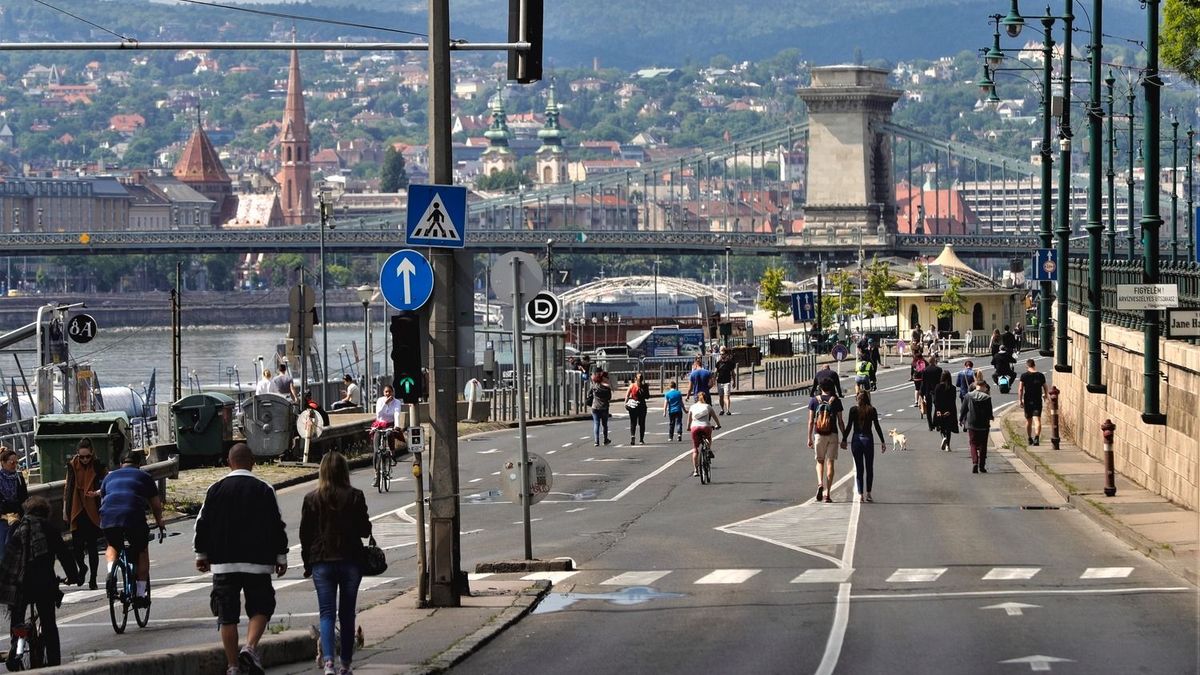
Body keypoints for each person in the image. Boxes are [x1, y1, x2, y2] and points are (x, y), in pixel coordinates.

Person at [194, 443, 289, 675]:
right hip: (258, 562)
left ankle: (233, 666)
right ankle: (250, 647)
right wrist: (281, 556)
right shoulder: (264, 488)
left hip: (223, 562)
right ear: (253, 462)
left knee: (227, 616)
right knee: (261, 607)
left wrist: (201, 554)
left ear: (229, 462)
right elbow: (277, 524)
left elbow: (201, 524)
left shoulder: (215, 489)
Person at [300, 451, 371, 675]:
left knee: (327, 614)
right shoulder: (355, 496)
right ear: (344, 471)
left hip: (321, 561)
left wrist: (306, 563)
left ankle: (328, 663)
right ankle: (346, 665)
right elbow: (364, 530)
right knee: (347, 614)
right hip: (350, 560)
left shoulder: (311, 499)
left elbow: (305, 535)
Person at [0, 496, 80, 670]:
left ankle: (17, 648)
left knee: (18, 620)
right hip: (44, 584)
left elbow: (8, 556)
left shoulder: (18, 528)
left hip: (20, 585)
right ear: (46, 513)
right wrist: (73, 576)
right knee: (49, 623)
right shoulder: (49, 529)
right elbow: (64, 555)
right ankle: (54, 665)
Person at [99, 450, 164, 608]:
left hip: (109, 516)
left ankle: (110, 573)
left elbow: (103, 501)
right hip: (132, 515)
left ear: (121, 464)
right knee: (142, 550)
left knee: (113, 545)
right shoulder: (144, 477)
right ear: (139, 464)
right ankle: (141, 594)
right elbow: (156, 505)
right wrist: (160, 522)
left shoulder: (108, 477)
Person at [63, 438, 106, 590]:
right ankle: (82, 568)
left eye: (87, 456)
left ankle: (93, 579)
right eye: (82, 457)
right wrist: (65, 510)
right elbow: (68, 487)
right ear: (77, 455)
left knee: (93, 546)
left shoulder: (98, 465)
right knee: (77, 546)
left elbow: (106, 482)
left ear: (92, 454)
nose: (85, 459)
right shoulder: (72, 466)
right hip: (77, 508)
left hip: (93, 507)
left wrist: (98, 493)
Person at [841, 390, 887, 503]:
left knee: (859, 468)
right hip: (868, 440)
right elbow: (877, 426)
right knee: (869, 467)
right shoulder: (871, 410)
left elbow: (849, 426)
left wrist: (844, 439)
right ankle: (869, 494)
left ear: (857, 399)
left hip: (856, 439)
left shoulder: (853, 410)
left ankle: (860, 494)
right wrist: (882, 441)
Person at [807, 378, 845, 503]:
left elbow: (811, 421)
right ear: (831, 387)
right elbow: (840, 421)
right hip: (832, 434)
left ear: (821, 387)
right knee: (830, 463)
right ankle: (828, 494)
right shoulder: (836, 401)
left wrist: (809, 438)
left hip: (819, 434)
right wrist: (844, 437)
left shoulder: (814, 400)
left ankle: (819, 483)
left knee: (820, 461)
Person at [0, 448, 28, 565]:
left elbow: (24, 498)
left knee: (18, 550)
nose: (15, 465)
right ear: (3, 462)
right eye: (12, 462)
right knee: (3, 549)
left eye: (16, 462)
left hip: (18, 518)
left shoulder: (19, 478)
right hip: (2, 518)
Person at [961, 380, 995, 473]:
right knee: (983, 444)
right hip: (984, 424)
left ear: (976, 386)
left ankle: (975, 462)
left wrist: (961, 420)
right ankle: (982, 466)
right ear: (983, 386)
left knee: (973, 443)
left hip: (972, 423)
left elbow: (963, 409)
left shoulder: (968, 396)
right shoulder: (987, 397)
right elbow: (989, 411)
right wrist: (991, 417)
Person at [686, 391, 721, 477]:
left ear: (697, 398)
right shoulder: (708, 406)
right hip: (706, 427)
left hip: (694, 428)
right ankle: (708, 449)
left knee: (695, 449)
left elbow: (689, 420)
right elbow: (715, 417)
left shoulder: (692, 407)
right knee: (708, 438)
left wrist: (688, 428)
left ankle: (695, 470)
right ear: (705, 398)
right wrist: (718, 425)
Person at [1017, 358, 1048, 445]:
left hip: (1028, 400)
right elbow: (1045, 386)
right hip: (1037, 400)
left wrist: (1020, 400)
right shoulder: (1041, 375)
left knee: (1029, 420)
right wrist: (1045, 395)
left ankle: (1030, 438)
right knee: (1037, 420)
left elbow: (1020, 389)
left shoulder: (1024, 376)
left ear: (1027, 366)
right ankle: (1037, 438)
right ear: (1034, 365)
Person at [933, 370, 958, 451]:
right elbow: (953, 400)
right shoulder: (953, 388)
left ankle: (944, 437)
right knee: (948, 428)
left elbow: (936, 400)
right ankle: (948, 446)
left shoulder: (937, 387)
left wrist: (938, 410)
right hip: (949, 410)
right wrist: (950, 411)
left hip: (940, 409)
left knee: (941, 426)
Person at [588, 371, 612, 446]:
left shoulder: (594, 386)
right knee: (604, 424)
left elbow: (588, 394)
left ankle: (596, 441)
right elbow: (609, 397)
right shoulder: (607, 387)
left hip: (595, 407)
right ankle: (605, 439)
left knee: (596, 424)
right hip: (604, 407)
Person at [920, 356, 944, 432]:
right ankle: (936, 423)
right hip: (936, 391)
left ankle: (930, 425)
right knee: (937, 408)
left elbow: (923, 382)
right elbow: (941, 381)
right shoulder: (939, 370)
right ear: (934, 361)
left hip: (927, 391)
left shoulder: (925, 370)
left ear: (929, 362)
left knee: (928, 409)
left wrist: (921, 392)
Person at [625, 372, 649, 445]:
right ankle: (641, 440)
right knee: (642, 423)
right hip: (642, 406)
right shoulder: (644, 386)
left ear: (635, 378)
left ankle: (633, 436)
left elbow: (627, 395)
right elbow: (647, 396)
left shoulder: (632, 386)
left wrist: (626, 403)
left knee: (633, 422)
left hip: (633, 406)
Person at [714, 347, 738, 415]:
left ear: (726, 354)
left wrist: (734, 382)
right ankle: (722, 409)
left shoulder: (730, 362)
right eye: (721, 354)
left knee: (727, 396)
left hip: (727, 381)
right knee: (720, 397)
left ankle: (728, 410)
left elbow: (733, 373)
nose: (722, 355)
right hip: (719, 382)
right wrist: (713, 380)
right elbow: (716, 372)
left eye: (723, 354)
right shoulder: (718, 363)